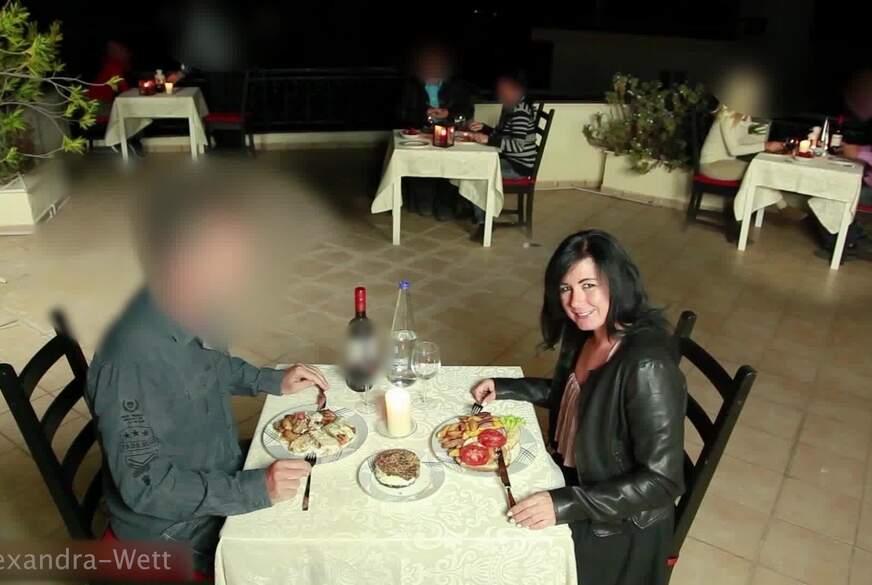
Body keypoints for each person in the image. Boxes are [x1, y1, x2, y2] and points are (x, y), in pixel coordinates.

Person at [86, 166, 327, 574]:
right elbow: (146, 488)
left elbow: (209, 364)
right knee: (306, 554)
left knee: (325, 477)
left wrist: (270, 380)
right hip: (174, 529)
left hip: (217, 466)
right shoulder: (129, 358)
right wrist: (256, 489)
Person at [471, 229, 687, 585]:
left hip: (618, 526)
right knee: (483, 497)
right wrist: (508, 388)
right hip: (580, 479)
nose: (575, 302)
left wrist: (563, 504)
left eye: (589, 285)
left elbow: (663, 481)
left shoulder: (647, 366)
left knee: (498, 543)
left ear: (617, 282)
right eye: (565, 288)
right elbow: (575, 396)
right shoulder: (589, 332)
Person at [398, 42, 474, 220]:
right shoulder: (411, 85)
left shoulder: (456, 84)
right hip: (420, 132)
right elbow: (401, 112)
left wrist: (448, 113)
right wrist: (423, 113)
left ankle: (445, 205)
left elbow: (467, 109)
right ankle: (423, 202)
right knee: (419, 162)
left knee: (452, 164)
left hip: (450, 132)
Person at [467, 70, 538, 239]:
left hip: (519, 167)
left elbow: (517, 146)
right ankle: (479, 210)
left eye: (504, 88)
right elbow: (504, 135)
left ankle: (485, 223)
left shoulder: (520, 111)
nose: (500, 92)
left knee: (479, 173)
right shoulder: (512, 107)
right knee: (476, 167)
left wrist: (488, 140)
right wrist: (484, 128)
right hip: (512, 160)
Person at [700, 65, 784, 181]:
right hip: (712, 165)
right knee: (761, 173)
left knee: (766, 170)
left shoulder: (748, 114)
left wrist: (773, 149)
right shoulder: (728, 113)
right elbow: (734, 150)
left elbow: (747, 143)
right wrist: (767, 145)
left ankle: (766, 194)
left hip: (730, 162)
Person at [86, 41, 132, 116]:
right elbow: (123, 88)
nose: (126, 53)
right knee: (125, 113)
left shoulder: (112, 63)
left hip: (96, 101)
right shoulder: (114, 65)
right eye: (122, 50)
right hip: (96, 103)